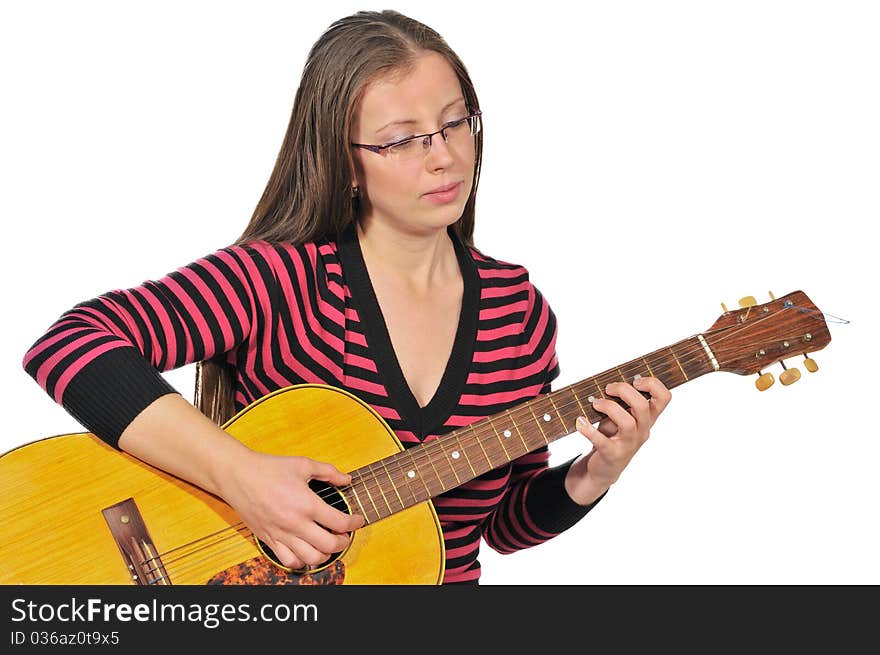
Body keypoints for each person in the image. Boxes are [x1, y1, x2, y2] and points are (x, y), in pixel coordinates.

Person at [22, 9, 671, 584]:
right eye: (401, 139)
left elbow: (500, 524)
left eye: (454, 124)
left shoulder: (517, 310)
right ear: (346, 159)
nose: (443, 157)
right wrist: (243, 478)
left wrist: (591, 476)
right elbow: (71, 346)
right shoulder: (281, 281)